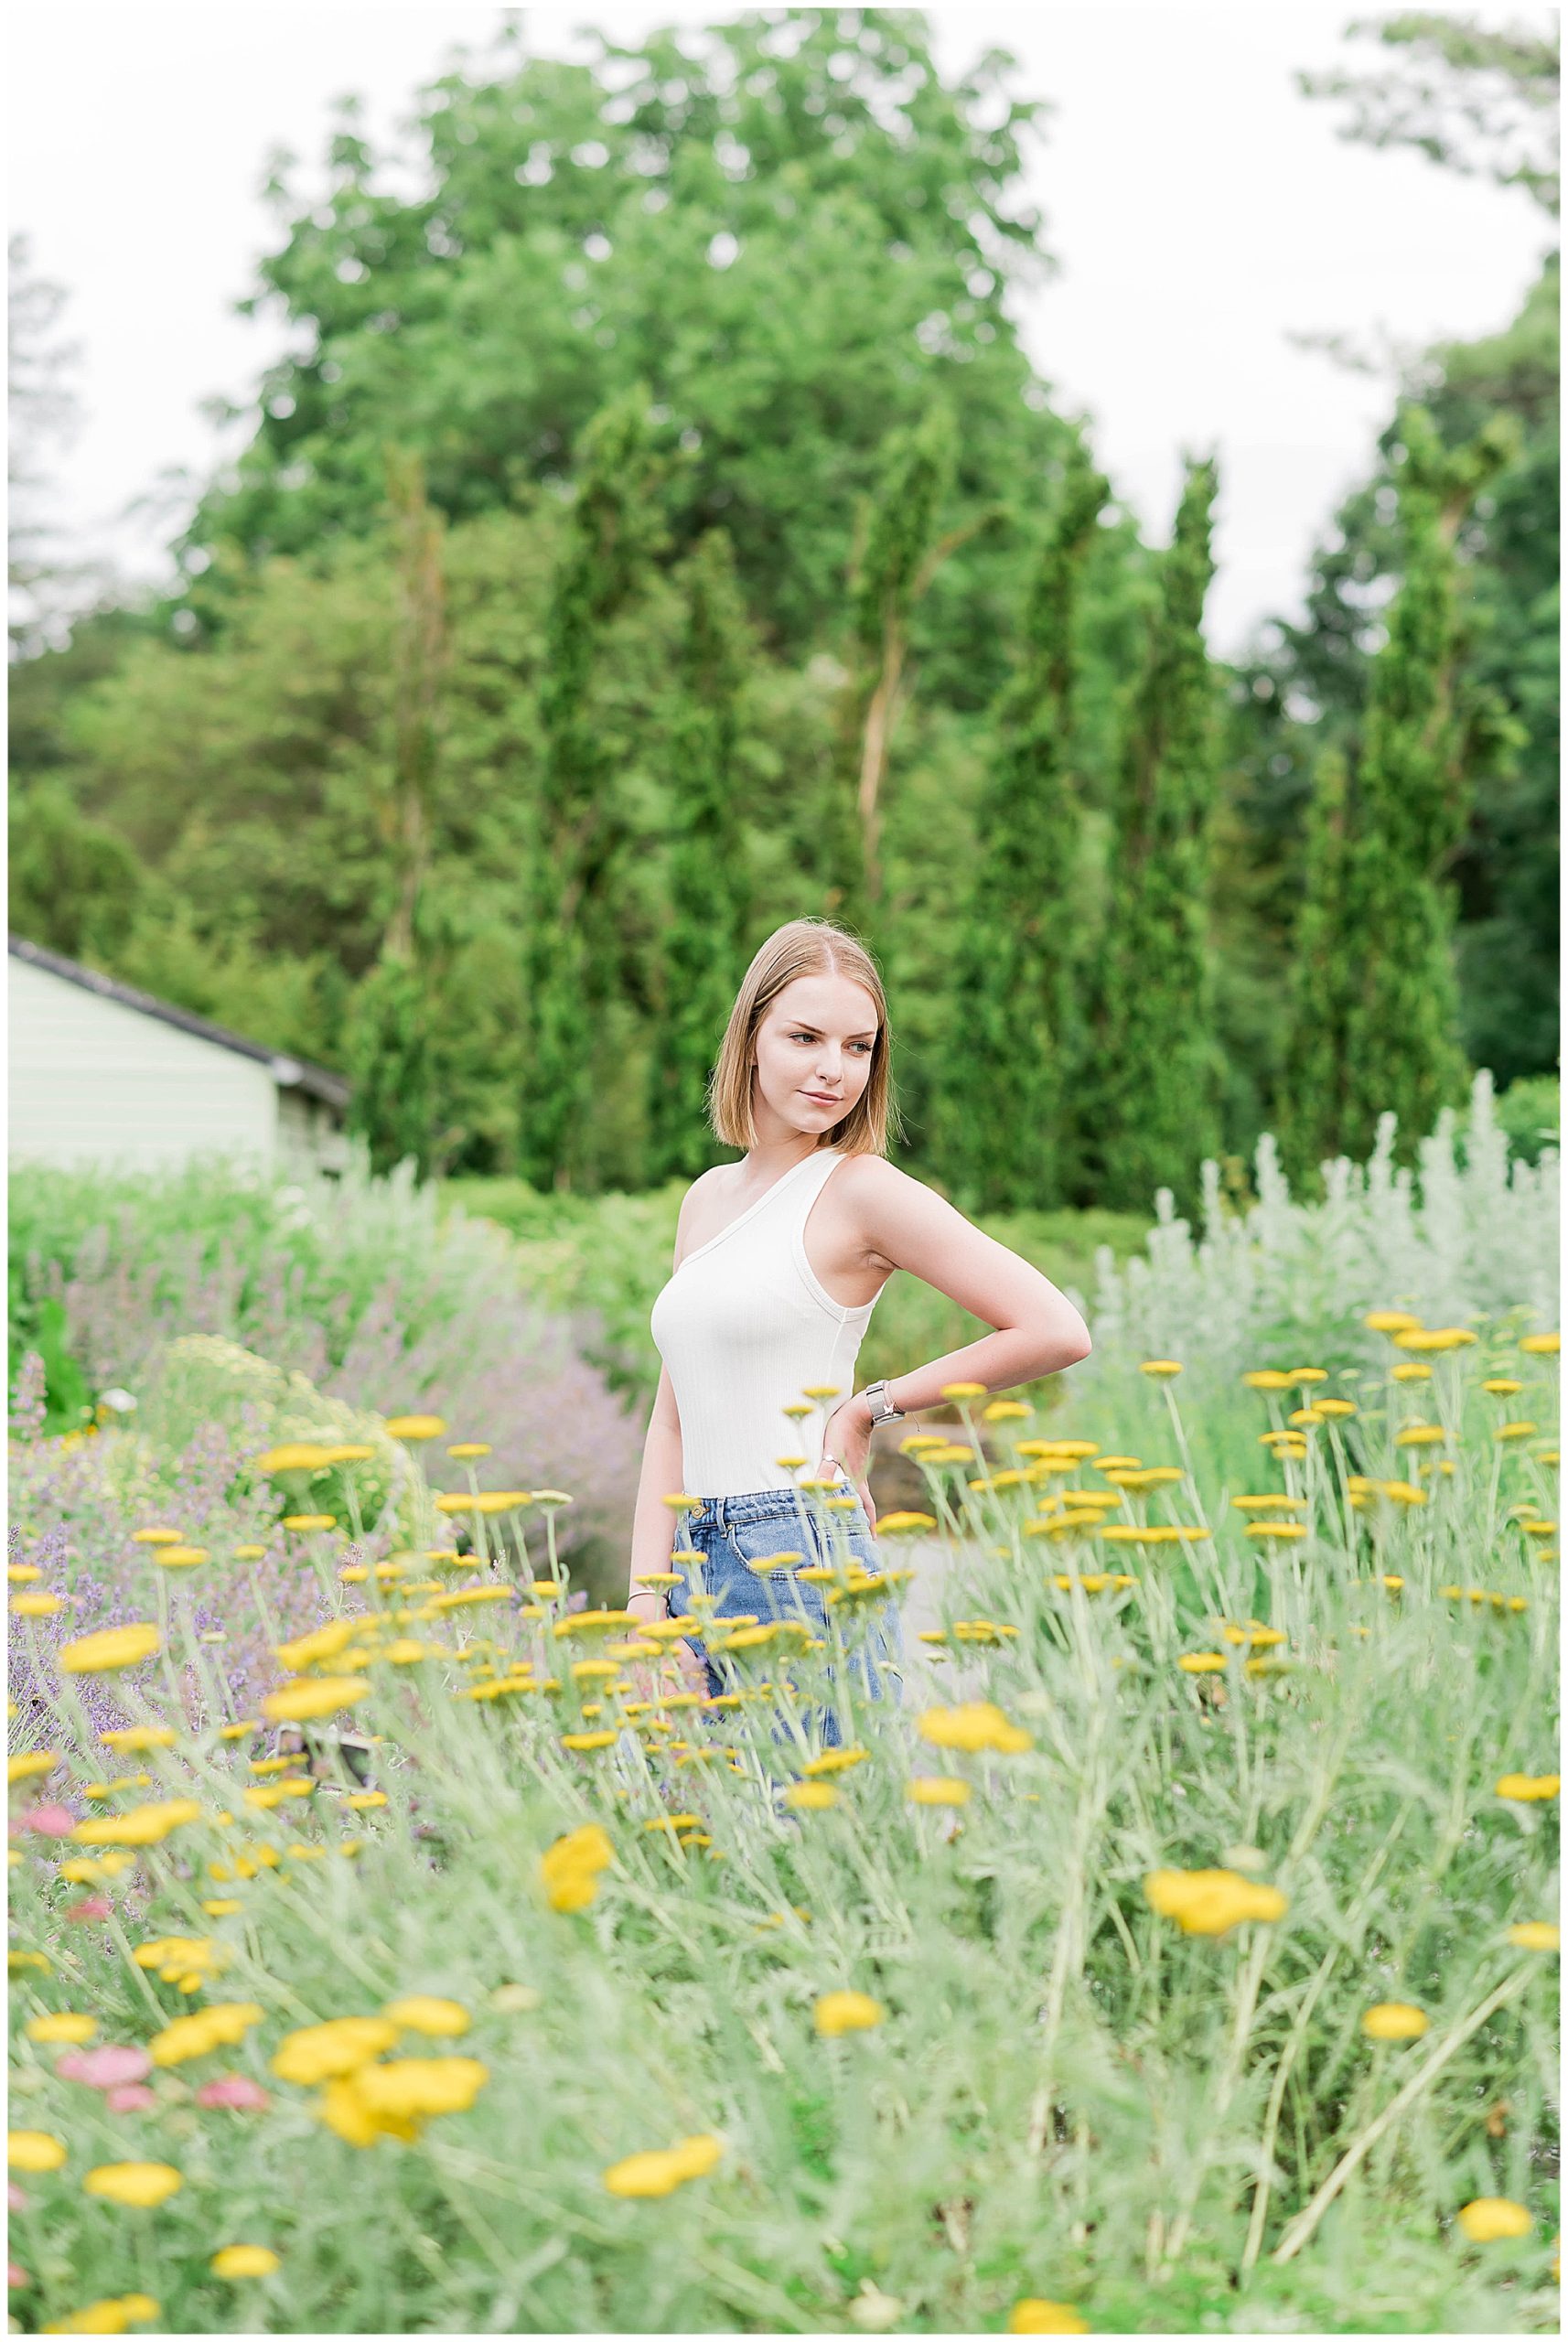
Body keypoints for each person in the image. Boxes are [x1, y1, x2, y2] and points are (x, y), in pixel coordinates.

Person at [628, 917, 1092, 1746]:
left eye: (858, 1046)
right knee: (692, 1845)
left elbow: (1054, 1327)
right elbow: (672, 1419)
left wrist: (868, 1407)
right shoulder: (706, 1199)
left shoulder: (861, 1191)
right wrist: (644, 1600)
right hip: (692, 1560)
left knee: (810, 1842)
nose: (832, 1069)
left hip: (798, 1546)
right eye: (805, 1036)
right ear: (751, 1037)